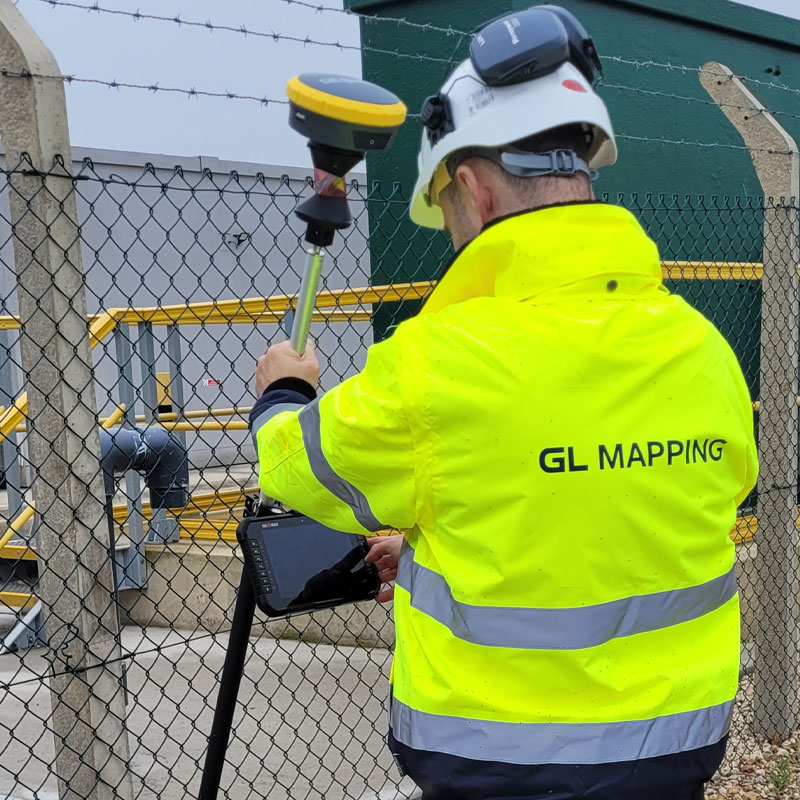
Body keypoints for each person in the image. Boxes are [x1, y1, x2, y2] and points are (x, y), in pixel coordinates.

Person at [249, 5, 757, 799]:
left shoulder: (437, 362)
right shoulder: (701, 349)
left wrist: (283, 391)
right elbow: (643, 506)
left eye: (448, 214)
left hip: (496, 765)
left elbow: (293, 470)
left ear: (474, 191)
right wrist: (445, 542)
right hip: (674, 753)